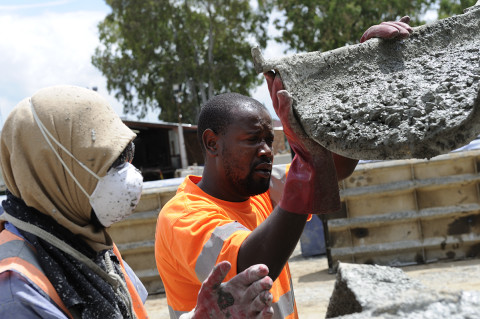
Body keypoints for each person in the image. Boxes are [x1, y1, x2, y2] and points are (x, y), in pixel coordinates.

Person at [155, 17, 413, 318]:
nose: (267, 150)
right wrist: (306, 162)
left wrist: (363, 76)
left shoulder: (255, 190)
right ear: (212, 143)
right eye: (253, 140)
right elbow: (249, 266)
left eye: (269, 139)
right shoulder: (183, 217)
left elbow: (333, 166)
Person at [0, 85, 274, 319]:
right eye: (108, 162)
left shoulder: (87, 243)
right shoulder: (16, 288)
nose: (127, 173)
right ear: (51, 170)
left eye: (125, 156)